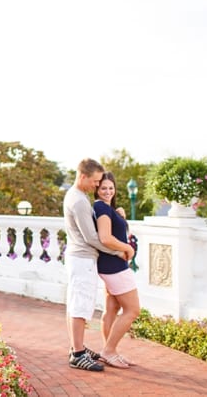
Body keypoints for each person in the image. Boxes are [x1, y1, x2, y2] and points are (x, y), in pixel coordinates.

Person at [63, 159, 135, 371]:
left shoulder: (79, 197)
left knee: (77, 304)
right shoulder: (78, 201)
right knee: (80, 307)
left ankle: (78, 348)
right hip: (83, 258)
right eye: (95, 182)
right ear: (83, 176)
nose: (97, 186)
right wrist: (122, 250)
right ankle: (77, 354)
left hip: (82, 258)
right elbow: (94, 238)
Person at [94, 172, 141, 369]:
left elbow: (112, 231)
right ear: (96, 189)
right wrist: (127, 248)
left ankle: (108, 351)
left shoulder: (106, 209)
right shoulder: (101, 207)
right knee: (132, 310)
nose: (107, 191)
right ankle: (109, 350)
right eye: (103, 188)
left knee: (112, 309)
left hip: (110, 265)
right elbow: (105, 238)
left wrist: (118, 215)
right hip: (115, 267)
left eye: (111, 188)